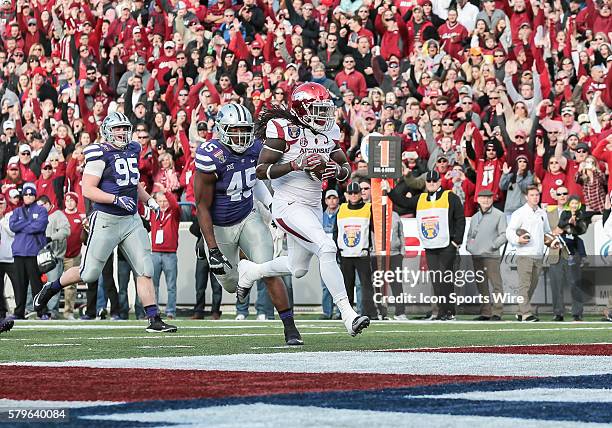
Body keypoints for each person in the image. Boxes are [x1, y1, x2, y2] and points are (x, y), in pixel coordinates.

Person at [239, 82, 370, 336]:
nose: (324, 116)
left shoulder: (327, 131)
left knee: (298, 268)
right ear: (301, 109)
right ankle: (348, 314)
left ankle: (251, 271)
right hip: (288, 204)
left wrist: (337, 171)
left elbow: (345, 167)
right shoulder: (284, 131)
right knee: (327, 246)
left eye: (325, 110)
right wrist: (294, 164)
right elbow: (260, 170)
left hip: (312, 205)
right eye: (318, 110)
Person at [32, 112, 177, 333]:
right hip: (106, 219)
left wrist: (148, 201)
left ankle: (153, 318)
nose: (122, 132)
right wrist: (116, 199)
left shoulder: (132, 149)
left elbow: (133, 182)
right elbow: (87, 189)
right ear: (107, 131)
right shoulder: (99, 152)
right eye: (117, 128)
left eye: (124, 128)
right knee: (89, 273)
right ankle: (51, 287)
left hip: (130, 219)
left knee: (145, 268)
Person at [193, 103, 302, 345]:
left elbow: (256, 180)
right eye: (235, 130)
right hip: (219, 225)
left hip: (248, 215)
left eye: (245, 130)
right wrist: (212, 248)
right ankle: (207, 246)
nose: (241, 136)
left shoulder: (255, 148)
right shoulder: (211, 155)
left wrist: (272, 206)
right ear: (222, 130)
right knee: (232, 287)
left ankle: (290, 328)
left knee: (268, 269)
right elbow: (201, 206)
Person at [386, 170, 466, 320]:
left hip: (447, 245)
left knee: (445, 279)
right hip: (430, 246)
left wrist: (456, 242)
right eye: (429, 181)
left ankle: (449, 312)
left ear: (439, 182)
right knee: (436, 280)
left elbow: (460, 219)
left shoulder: (450, 197)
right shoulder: (421, 198)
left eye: (434, 181)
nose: (431, 183)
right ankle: (442, 312)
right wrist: (390, 192)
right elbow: (404, 203)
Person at [506, 185, 555, 322]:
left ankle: (520, 311)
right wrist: (517, 239)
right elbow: (510, 231)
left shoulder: (542, 213)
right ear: (526, 197)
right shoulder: (519, 213)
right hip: (524, 254)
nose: (535, 197)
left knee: (532, 286)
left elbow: (547, 232)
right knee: (524, 285)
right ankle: (526, 313)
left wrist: (552, 242)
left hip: (538, 255)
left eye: (537, 195)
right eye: (532, 195)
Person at [334, 181, 377, 319]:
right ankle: (347, 313)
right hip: (345, 253)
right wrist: (337, 250)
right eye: (350, 193)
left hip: (362, 253)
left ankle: (370, 312)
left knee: (366, 285)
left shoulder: (369, 208)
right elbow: (336, 231)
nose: (353, 195)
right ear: (347, 194)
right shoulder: (342, 208)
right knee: (347, 285)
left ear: (360, 194)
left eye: (356, 193)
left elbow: (375, 229)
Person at [9, 183, 48, 319]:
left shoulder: (41, 210)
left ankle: (42, 311)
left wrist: (23, 226)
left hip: (33, 252)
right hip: (19, 252)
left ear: (35, 196)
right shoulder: (17, 211)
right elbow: (12, 226)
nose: (28, 196)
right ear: (23, 196)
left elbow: (39, 226)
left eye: (31, 194)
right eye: (26, 194)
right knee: (20, 285)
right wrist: (30, 223)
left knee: (36, 284)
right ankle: (19, 312)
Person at [466, 189, 507, 321]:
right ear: (478, 200)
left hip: (491, 256)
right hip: (477, 255)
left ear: (492, 199)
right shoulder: (474, 217)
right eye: (483, 198)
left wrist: (493, 246)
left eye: (489, 198)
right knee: (481, 285)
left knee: (496, 284)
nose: (486, 200)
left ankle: (497, 312)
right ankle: (486, 312)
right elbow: (470, 236)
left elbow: (504, 234)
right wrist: (469, 247)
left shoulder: (499, 215)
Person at [548, 190, 586, 321]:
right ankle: (558, 313)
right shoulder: (547, 214)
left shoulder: (578, 213)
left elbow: (582, 230)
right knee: (556, 285)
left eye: (565, 193)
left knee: (575, 283)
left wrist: (567, 227)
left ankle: (577, 313)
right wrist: (552, 239)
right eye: (559, 194)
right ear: (555, 196)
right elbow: (547, 232)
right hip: (554, 253)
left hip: (572, 252)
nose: (562, 196)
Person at [149, 189, 181, 319]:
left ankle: (170, 311)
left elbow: (175, 205)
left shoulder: (173, 214)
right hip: (155, 253)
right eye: (160, 201)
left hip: (170, 254)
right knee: (153, 285)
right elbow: (141, 206)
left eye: (165, 201)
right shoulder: (153, 213)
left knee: (171, 285)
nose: (162, 204)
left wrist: (167, 193)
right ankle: (154, 311)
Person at [37, 195, 70, 319]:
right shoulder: (38, 215)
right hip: (39, 255)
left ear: (47, 204)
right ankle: (33, 309)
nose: (39, 208)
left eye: (42, 205)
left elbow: (66, 231)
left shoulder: (58, 215)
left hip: (54, 255)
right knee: (33, 284)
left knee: (52, 284)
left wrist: (51, 237)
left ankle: (51, 311)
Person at [321, 189, 339, 319]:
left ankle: (339, 312)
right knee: (325, 285)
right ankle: (327, 312)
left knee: (339, 283)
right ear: (326, 200)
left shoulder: (343, 213)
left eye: (334, 198)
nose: (332, 201)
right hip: (324, 253)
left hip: (339, 253)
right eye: (329, 198)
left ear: (338, 199)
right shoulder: (320, 216)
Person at [0, 195, 18, 321]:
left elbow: (13, 231)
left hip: (11, 257)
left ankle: (19, 310)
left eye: (1, 204)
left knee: (17, 286)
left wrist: (3, 221)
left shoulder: (10, 216)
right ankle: (2, 311)